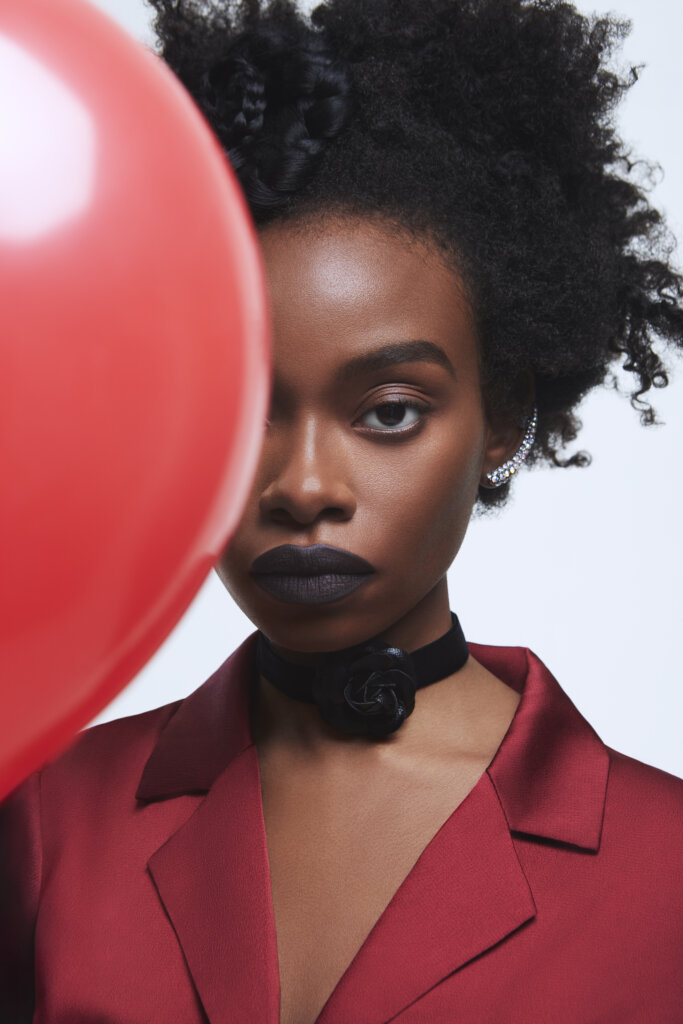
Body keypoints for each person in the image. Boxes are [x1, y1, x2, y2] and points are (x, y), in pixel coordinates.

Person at [2, 0, 682, 1021]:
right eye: (237, 409)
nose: (304, 486)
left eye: (388, 412)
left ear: (503, 415)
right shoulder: (47, 822)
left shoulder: (664, 868)